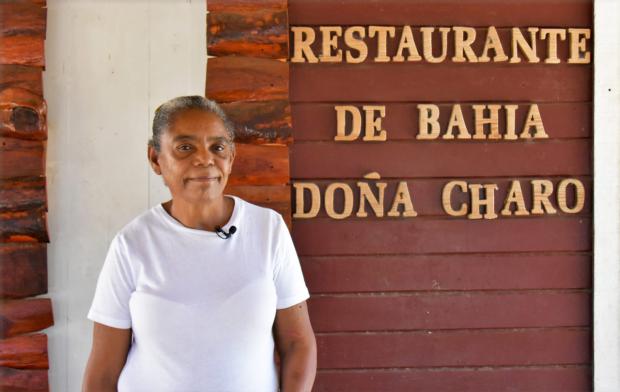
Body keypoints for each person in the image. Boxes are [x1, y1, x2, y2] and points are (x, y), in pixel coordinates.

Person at [82, 96, 317, 392]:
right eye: (184, 148)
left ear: (231, 157)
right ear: (156, 159)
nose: (204, 159)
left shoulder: (267, 230)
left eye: (217, 147)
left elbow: (298, 343)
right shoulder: (133, 244)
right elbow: (103, 370)